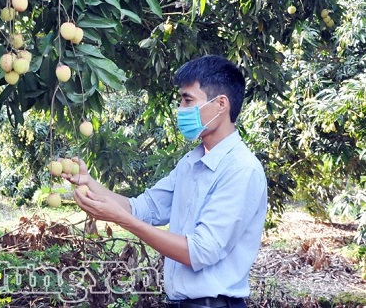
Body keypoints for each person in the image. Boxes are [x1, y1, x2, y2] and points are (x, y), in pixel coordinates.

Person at [63, 55, 267, 308]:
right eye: (180, 100)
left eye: (188, 100)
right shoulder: (192, 162)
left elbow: (198, 252)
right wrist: (88, 181)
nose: (181, 109)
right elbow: (144, 208)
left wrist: (120, 220)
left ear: (221, 104)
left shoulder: (241, 170)